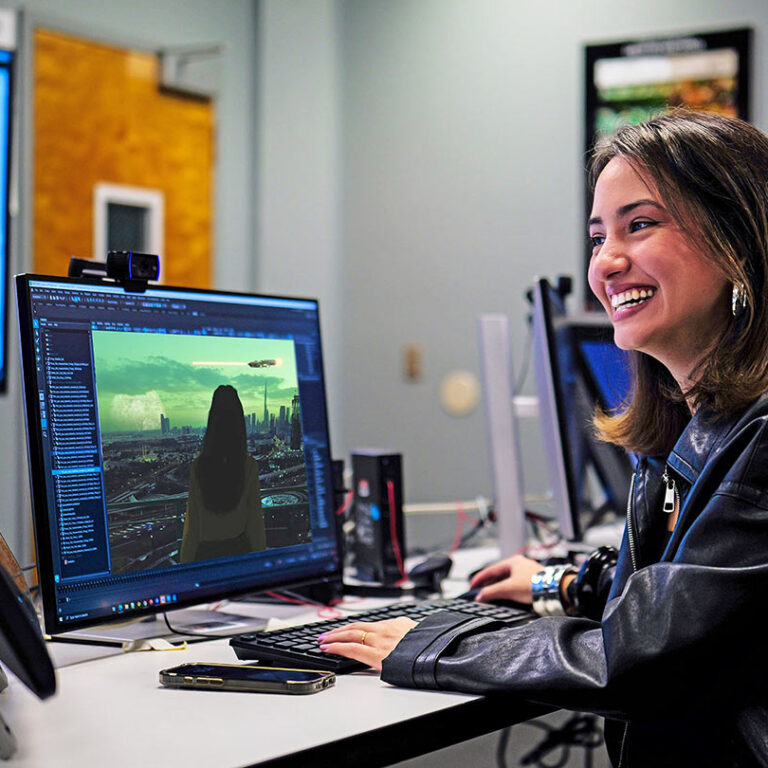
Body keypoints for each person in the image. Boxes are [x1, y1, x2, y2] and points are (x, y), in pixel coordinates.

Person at [318, 111, 768, 767]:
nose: (607, 262)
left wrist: (434, 645)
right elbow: (696, 592)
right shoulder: (699, 422)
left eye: (639, 225)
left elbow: (648, 662)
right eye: (597, 237)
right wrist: (558, 581)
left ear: (740, 243)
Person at [180, 384, 266, 562]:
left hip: (205, 557)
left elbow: (192, 527)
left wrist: (184, 568)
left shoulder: (198, 467)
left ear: (212, 421)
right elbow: (255, 523)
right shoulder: (248, 466)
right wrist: (260, 563)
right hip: (239, 553)